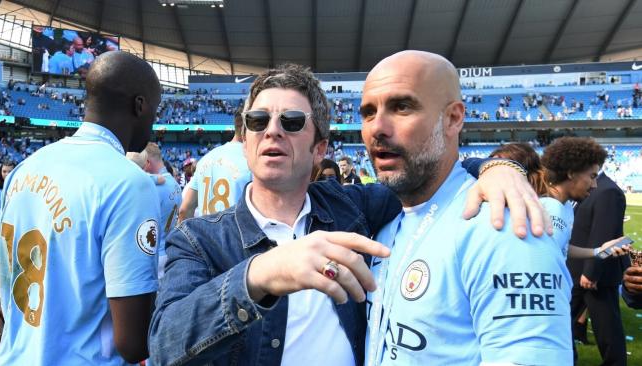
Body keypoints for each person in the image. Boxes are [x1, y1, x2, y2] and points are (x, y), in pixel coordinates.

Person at [150, 63, 548, 366]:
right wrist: (261, 274)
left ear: (320, 149)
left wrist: (500, 168)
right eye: (258, 121)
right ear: (246, 141)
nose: (272, 131)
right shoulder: (198, 239)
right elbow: (165, 344)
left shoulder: (353, 208)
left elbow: (426, 171)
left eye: (291, 122)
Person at [363, 51, 572, 365]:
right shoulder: (384, 222)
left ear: (453, 118)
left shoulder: (504, 224)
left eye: (401, 106)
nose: (377, 127)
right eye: (367, 112)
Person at [0, 51, 162, 365]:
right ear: (140, 105)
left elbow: (0, 281)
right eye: (155, 109)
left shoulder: (24, 169)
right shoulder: (129, 183)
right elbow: (134, 343)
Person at [488, 141, 627, 260]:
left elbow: (560, 246)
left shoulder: (564, 205)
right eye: (592, 176)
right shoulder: (551, 206)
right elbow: (543, 259)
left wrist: (599, 251)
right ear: (571, 173)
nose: (595, 184)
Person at [567, 170, 629, 365]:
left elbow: (604, 234)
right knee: (561, 323)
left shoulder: (607, 191)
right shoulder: (596, 187)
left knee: (607, 330)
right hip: (578, 272)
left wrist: (591, 272)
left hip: (594, 276)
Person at [178, 106, 251, 222]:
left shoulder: (204, 159)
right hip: (237, 238)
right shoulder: (252, 161)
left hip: (205, 237)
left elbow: (184, 210)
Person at [142, 142, 182, 278]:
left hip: (154, 254)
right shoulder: (175, 183)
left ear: (147, 162)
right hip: (167, 249)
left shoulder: (153, 187)